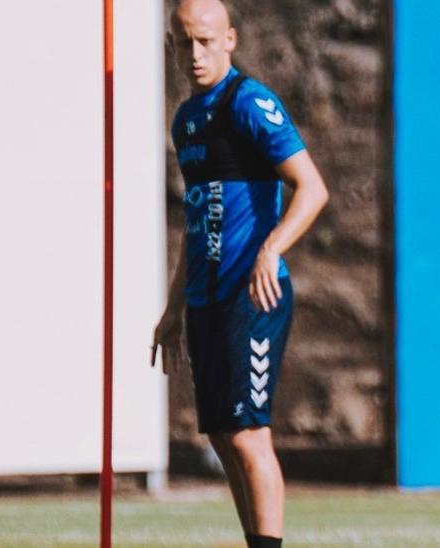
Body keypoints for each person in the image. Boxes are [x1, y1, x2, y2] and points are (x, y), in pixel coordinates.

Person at [151, 1, 329, 546]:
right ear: (171, 47)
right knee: (224, 437)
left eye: (206, 41)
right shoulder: (186, 122)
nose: (196, 53)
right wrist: (174, 307)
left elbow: (313, 188)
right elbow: (197, 223)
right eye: (185, 42)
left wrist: (270, 249)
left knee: (250, 435)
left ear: (230, 39)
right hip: (205, 301)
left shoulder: (249, 102)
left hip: (252, 296)